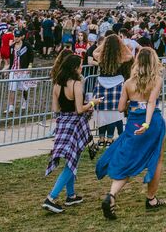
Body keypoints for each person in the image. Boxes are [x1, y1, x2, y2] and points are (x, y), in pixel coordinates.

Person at [97, 47, 166, 219]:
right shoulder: (156, 80)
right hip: (151, 123)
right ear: (153, 61)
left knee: (127, 159)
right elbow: (151, 102)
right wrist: (147, 123)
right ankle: (151, 199)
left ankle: (112, 195)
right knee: (156, 159)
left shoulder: (128, 83)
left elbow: (121, 107)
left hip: (133, 123)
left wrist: (133, 105)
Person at [42, 53, 102, 213]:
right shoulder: (76, 84)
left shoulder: (56, 84)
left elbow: (55, 109)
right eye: (80, 65)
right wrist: (92, 102)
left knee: (71, 160)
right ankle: (51, 197)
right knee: (72, 162)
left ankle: (71, 195)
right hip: (75, 125)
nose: (81, 68)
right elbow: (80, 109)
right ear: (74, 68)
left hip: (63, 123)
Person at [92, 33, 133, 147]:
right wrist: (121, 43)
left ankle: (101, 138)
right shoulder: (121, 57)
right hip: (117, 83)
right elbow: (130, 55)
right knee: (114, 112)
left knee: (102, 112)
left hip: (101, 84)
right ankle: (110, 138)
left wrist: (104, 43)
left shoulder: (101, 57)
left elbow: (94, 52)